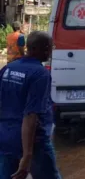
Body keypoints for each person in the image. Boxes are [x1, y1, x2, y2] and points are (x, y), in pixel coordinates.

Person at [0, 31, 61, 179]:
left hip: (6, 138)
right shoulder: (40, 74)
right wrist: (27, 156)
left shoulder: (8, 68)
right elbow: (30, 116)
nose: (50, 51)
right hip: (34, 141)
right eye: (48, 47)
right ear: (38, 49)